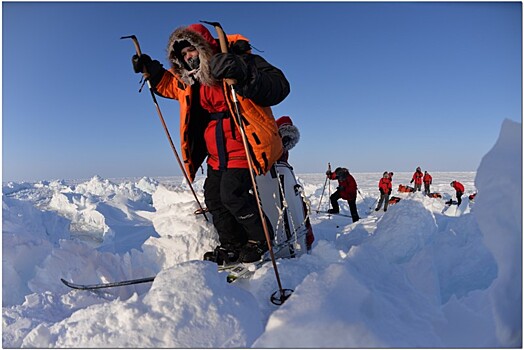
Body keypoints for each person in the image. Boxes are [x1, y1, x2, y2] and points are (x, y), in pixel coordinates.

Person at [131, 23, 290, 264]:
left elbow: (279, 87)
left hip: (245, 145)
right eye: (183, 55)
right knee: (214, 197)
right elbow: (170, 86)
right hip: (217, 151)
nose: (188, 57)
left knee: (232, 194)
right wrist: (152, 71)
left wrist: (243, 73)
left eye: (191, 51)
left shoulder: (238, 60)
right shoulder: (191, 81)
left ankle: (261, 241)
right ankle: (232, 244)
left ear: (203, 47)